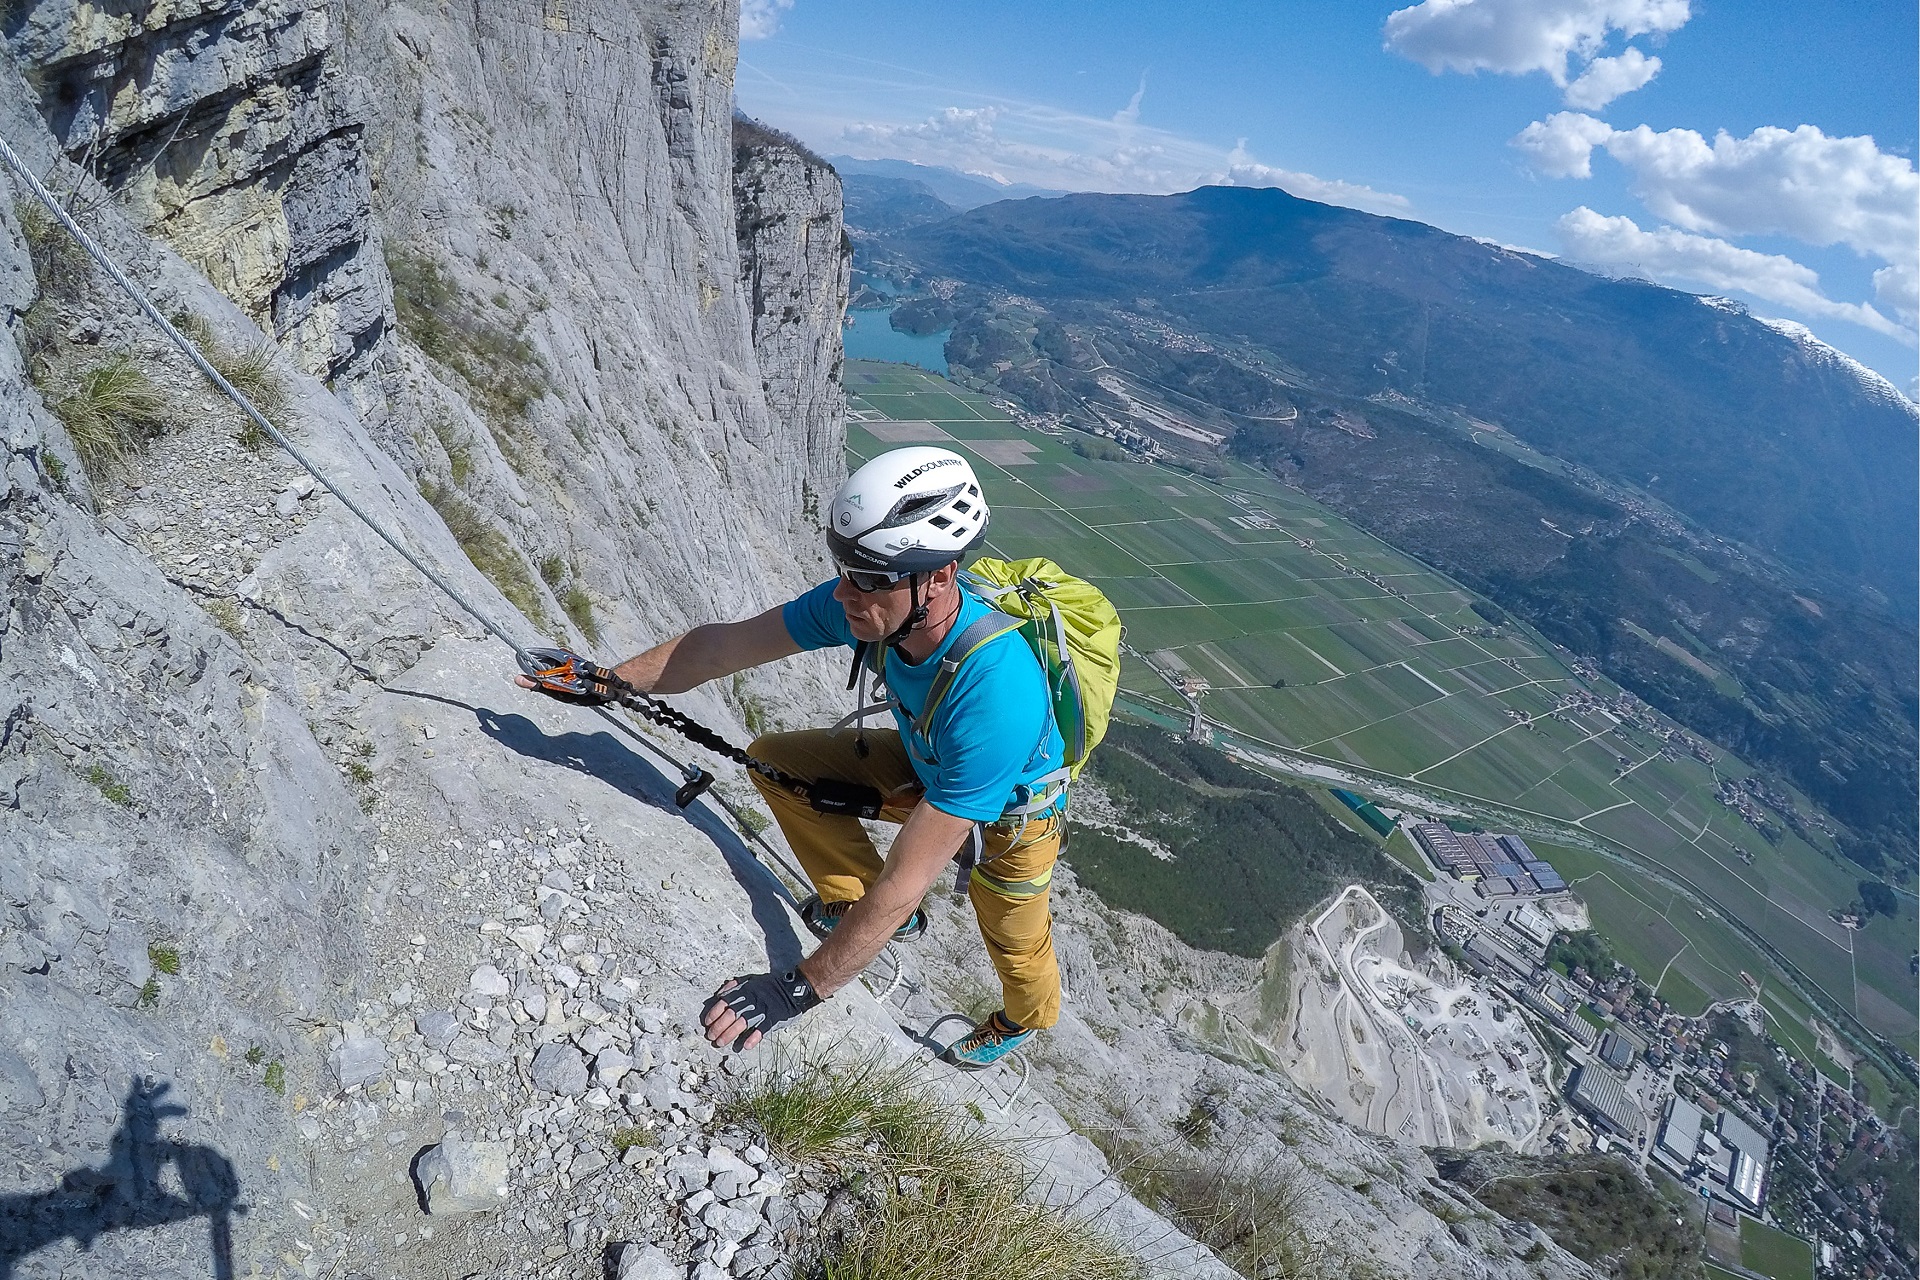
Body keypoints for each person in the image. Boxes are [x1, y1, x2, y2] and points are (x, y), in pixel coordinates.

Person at [517, 447, 1068, 1069]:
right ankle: (856, 904)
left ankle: (1024, 1017)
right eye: (845, 569)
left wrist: (799, 988)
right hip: (930, 759)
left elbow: (908, 881)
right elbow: (723, 648)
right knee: (776, 762)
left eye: (869, 577)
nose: (845, 592)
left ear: (938, 578)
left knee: (1013, 933)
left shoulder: (999, 692)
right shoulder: (867, 607)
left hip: (1015, 815)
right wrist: (608, 681)